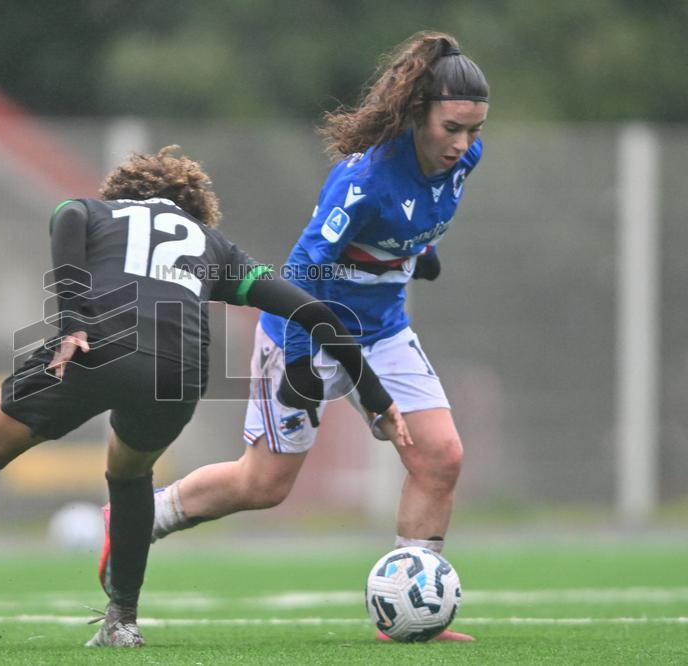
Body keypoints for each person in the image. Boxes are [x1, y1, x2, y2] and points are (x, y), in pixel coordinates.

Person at [0, 146, 412, 650]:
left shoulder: (100, 211)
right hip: (181, 372)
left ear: (127, 194)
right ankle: (122, 619)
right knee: (129, 474)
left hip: (96, 347)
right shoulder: (216, 247)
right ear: (194, 210)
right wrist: (376, 397)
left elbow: (67, 214)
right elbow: (314, 313)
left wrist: (72, 321)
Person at [97, 31, 489, 642]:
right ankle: (139, 517)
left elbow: (419, 216)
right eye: (452, 128)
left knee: (440, 457)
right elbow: (304, 267)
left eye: (473, 129)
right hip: (306, 331)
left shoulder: (463, 161)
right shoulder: (364, 178)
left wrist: (421, 252)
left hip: (383, 332)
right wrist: (305, 363)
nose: (463, 143)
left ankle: (414, 612)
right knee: (264, 486)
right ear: (418, 114)